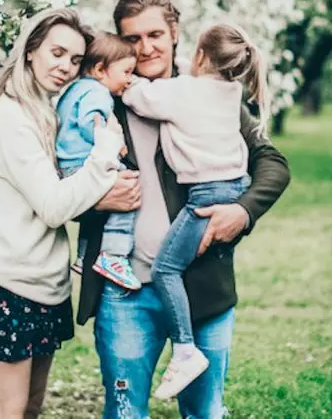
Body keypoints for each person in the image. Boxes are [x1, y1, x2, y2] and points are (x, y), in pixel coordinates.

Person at [75, 0, 291, 418]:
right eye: (132, 38)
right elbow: (58, 182)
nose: (145, 47)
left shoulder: (210, 94)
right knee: (124, 412)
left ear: (175, 33)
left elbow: (273, 162)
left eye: (155, 34)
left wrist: (242, 211)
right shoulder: (99, 103)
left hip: (202, 288)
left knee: (205, 413)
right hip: (125, 293)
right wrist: (96, 200)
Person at [0, 8, 126, 419]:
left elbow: (63, 194)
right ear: (31, 49)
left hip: (47, 286)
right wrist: (105, 153)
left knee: (31, 408)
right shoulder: (11, 118)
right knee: (8, 411)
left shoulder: (40, 110)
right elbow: (55, 206)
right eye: (57, 52)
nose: (66, 67)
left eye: (75, 60)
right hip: (13, 288)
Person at [121, 22, 269, 399]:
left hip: (206, 194)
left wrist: (123, 77)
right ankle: (186, 349)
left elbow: (139, 96)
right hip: (234, 185)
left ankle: (185, 350)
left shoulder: (180, 91)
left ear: (198, 55)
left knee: (166, 268)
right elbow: (195, 76)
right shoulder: (228, 90)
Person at [55, 31, 141, 290]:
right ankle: (113, 255)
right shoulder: (98, 93)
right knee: (129, 188)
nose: (130, 79)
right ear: (101, 69)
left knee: (97, 211)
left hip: (67, 165)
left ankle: (84, 256)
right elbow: (89, 124)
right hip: (82, 162)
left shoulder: (75, 89)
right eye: (126, 72)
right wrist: (114, 141)